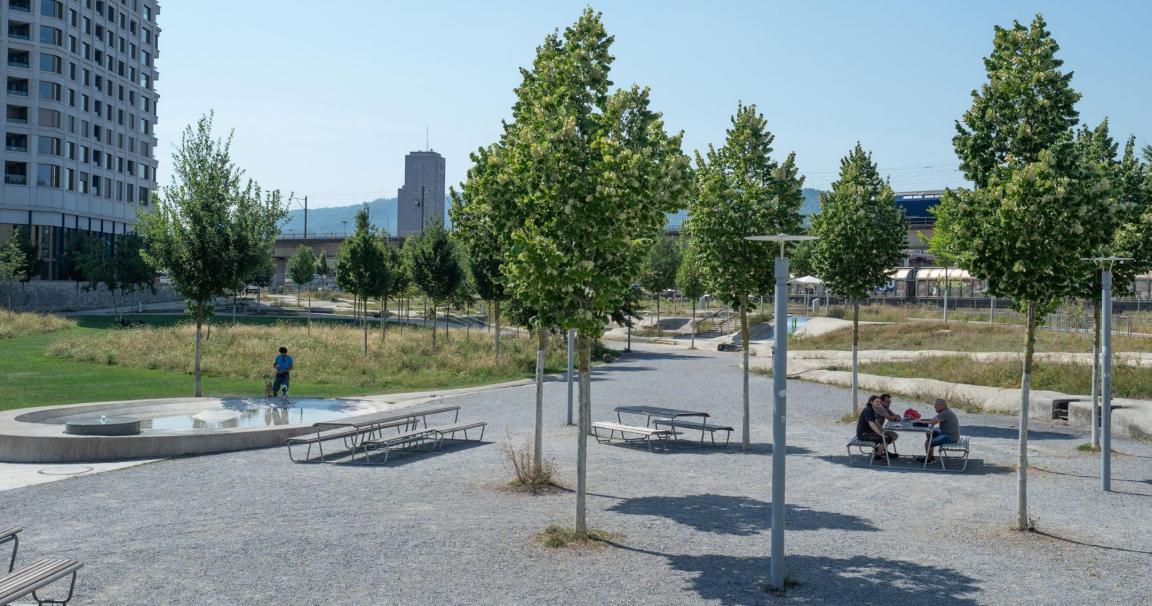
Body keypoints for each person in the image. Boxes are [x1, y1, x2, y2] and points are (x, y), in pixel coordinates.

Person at [922, 398, 960, 463]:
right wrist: (922, 420)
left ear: (942, 406)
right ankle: (931, 456)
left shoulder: (945, 413)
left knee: (927, 443)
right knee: (929, 433)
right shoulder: (944, 411)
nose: (934, 406)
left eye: (937, 405)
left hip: (950, 437)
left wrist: (920, 422)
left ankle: (928, 459)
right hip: (948, 434)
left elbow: (933, 422)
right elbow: (933, 419)